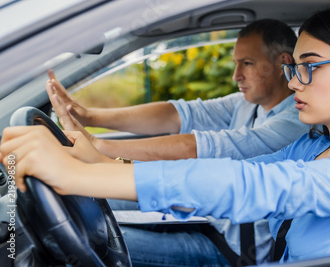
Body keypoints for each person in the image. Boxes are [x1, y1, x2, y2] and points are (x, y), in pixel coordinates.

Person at [1, 1, 330, 264]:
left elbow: (248, 186)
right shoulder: (314, 147)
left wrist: (77, 176)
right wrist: (102, 162)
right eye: (292, 68)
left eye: (309, 67)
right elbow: (228, 169)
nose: (293, 82)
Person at [47, 19, 310, 265]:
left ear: (282, 62)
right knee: (88, 206)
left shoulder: (296, 123)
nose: (236, 75)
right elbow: (177, 114)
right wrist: (87, 114)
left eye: (247, 63)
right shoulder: (248, 104)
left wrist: (100, 147)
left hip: (235, 253)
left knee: (90, 243)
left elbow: (199, 147)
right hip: (207, 221)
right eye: (236, 63)